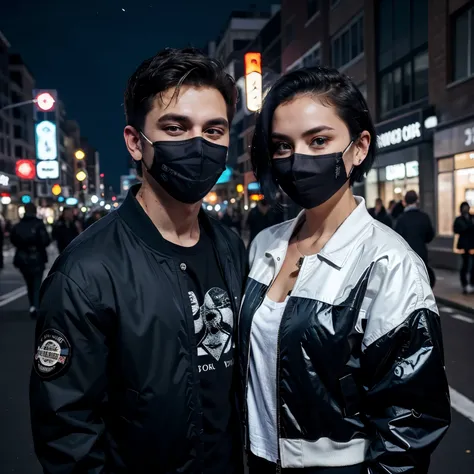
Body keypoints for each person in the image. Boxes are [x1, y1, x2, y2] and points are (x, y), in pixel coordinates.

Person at [30, 48, 247, 473]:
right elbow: (67, 431)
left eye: (214, 130)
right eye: (175, 127)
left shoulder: (230, 246)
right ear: (135, 142)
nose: (198, 145)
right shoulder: (87, 271)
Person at [239, 67, 450, 473]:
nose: (296, 159)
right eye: (282, 145)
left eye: (318, 140)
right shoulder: (265, 244)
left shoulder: (389, 263)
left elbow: (410, 421)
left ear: (358, 147)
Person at [10, 203, 50, 317]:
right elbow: (45, 240)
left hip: (23, 257)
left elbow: (13, 239)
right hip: (37, 256)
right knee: (37, 282)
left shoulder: (18, 225)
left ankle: (32, 304)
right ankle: (36, 306)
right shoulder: (38, 224)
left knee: (29, 283)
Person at [395, 190, 436, 287]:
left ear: (405, 201)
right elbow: (430, 235)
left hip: (406, 255)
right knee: (422, 280)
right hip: (421, 253)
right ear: (417, 200)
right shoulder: (424, 217)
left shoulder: (401, 219)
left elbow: (396, 238)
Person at [453, 201, 474, 293]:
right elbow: (456, 229)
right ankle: (465, 284)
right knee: (465, 265)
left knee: (473, 265)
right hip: (464, 245)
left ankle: (472, 283)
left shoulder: (472, 218)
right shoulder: (459, 219)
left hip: (472, 244)